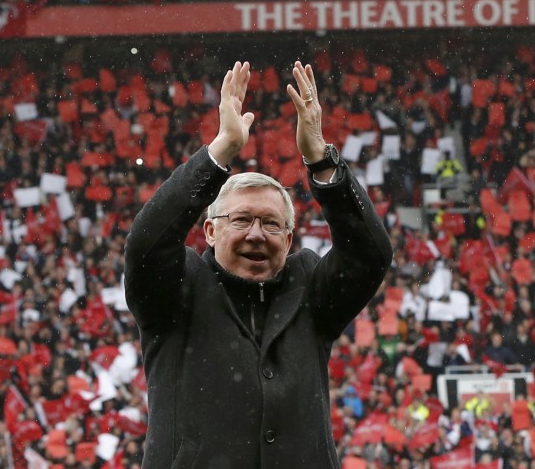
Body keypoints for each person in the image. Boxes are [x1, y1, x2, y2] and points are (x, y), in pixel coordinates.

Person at [124, 61, 392, 468]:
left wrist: (321, 159)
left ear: (288, 240)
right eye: (241, 220)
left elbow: (370, 254)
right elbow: (146, 244)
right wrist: (221, 150)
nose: (255, 234)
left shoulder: (309, 290)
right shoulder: (179, 289)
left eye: (270, 224)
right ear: (210, 232)